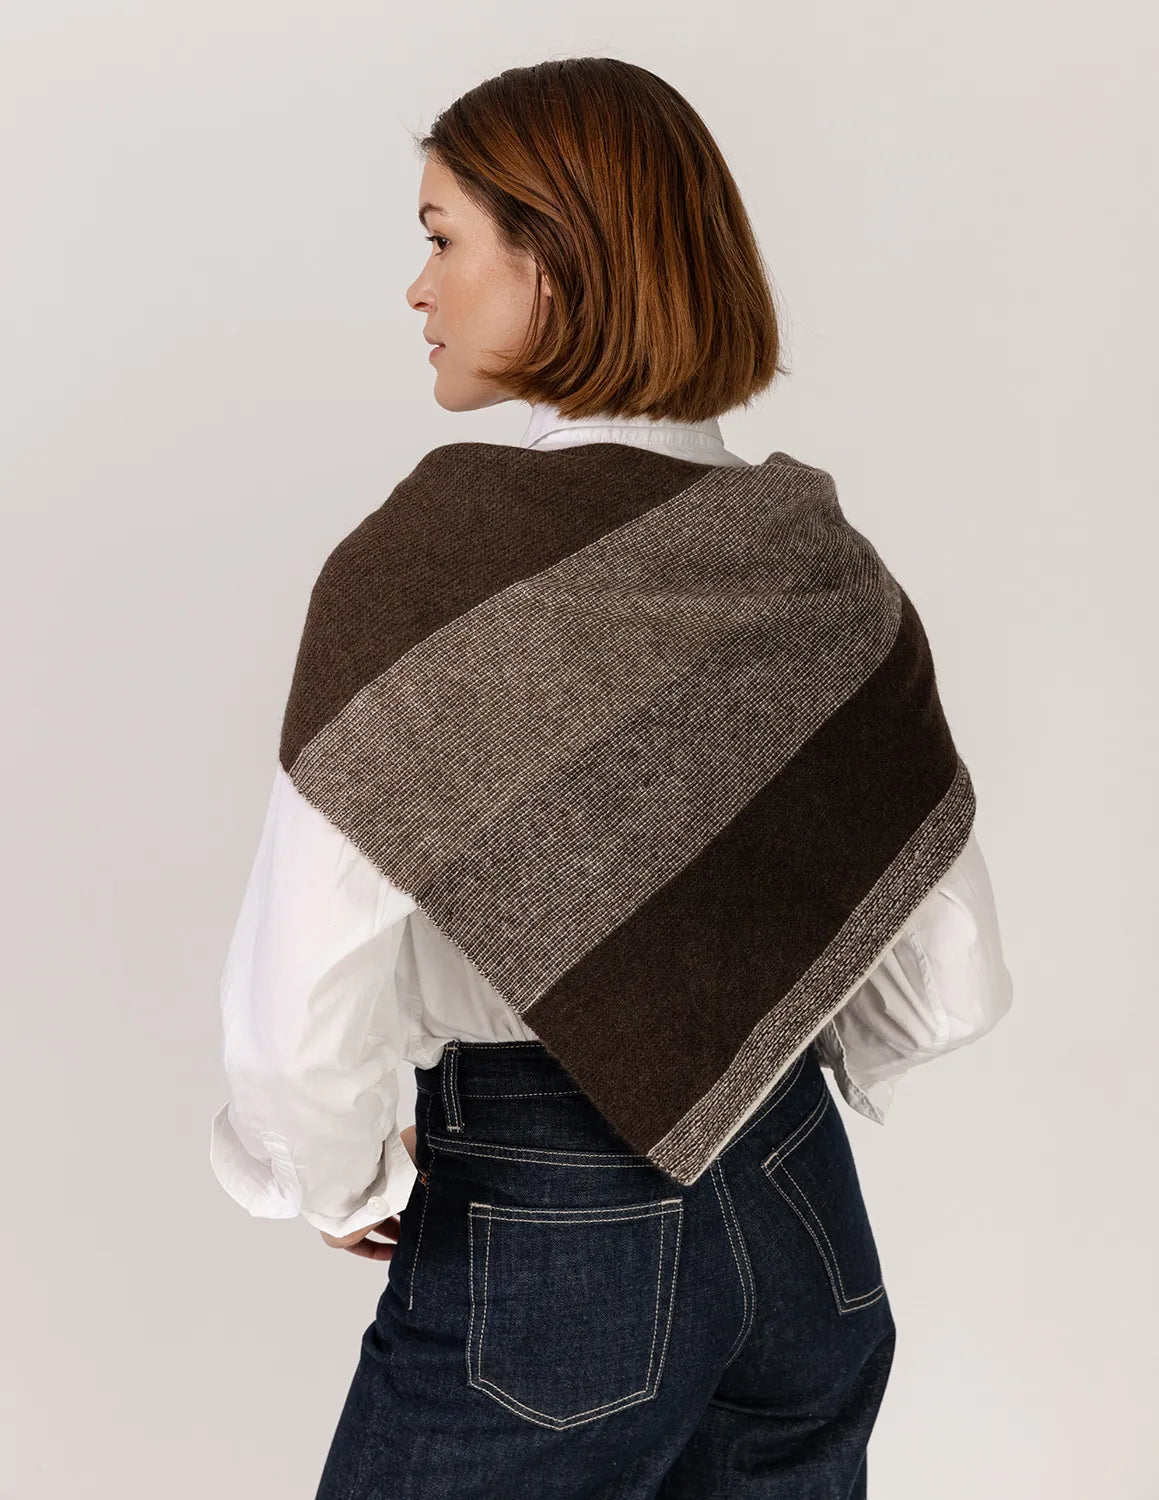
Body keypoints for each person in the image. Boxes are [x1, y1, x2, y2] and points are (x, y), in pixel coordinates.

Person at [209, 56, 1014, 1499]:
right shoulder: (821, 566)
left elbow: (296, 1017)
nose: (417, 288)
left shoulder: (424, 576)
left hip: (548, 1224)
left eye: (443, 237)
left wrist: (333, 1181)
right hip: (802, 1219)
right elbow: (945, 990)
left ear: (559, 265)